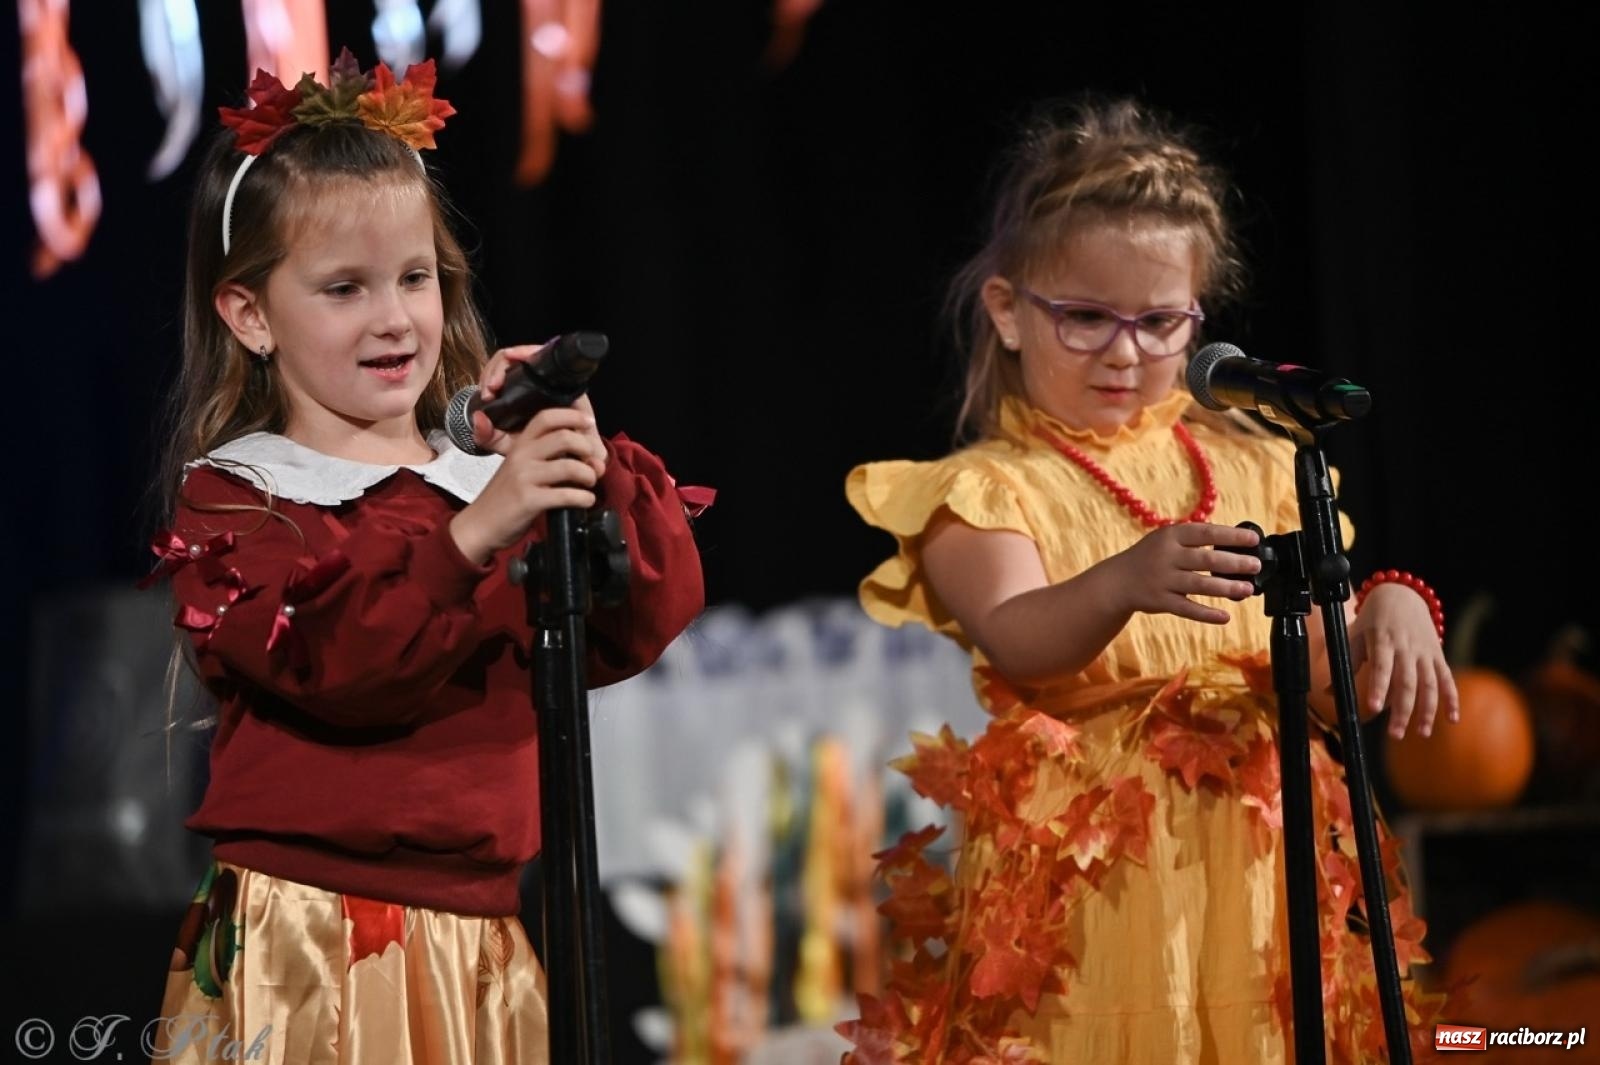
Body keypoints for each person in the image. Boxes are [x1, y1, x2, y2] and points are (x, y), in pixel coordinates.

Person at [838, 95, 1458, 1063]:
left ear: (1199, 322)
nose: (1124, 351)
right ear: (1007, 310)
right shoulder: (984, 490)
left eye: (1158, 322)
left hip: (1264, 857)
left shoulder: (1262, 463)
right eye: (1084, 317)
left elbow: (1334, 688)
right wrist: (1115, 582)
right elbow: (1018, 636)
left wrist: (1387, 607)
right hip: (1097, 870)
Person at [139, 49, 707, 1064]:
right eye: (345, 289)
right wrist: (478, 530)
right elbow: (342, 665)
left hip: (483, 943)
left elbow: (639, 622)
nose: (395, 317)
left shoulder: (472, 477)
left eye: (415, 278)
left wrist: (580, 452)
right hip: (309, 940)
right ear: (250, 314)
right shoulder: (243, 496)